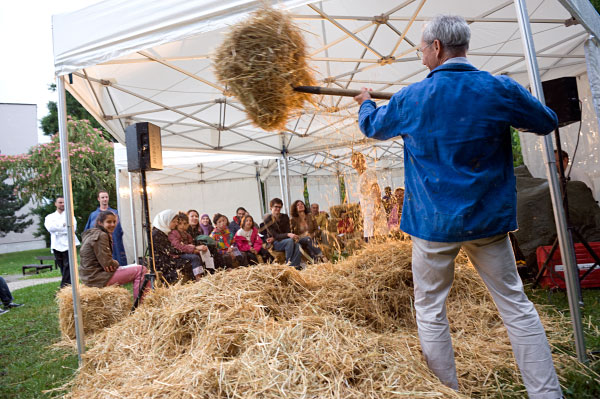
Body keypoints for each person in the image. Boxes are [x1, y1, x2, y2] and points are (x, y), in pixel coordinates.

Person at [353, 14, 562, 397]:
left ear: (436, 47)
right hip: (487, 222)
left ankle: (446, 392)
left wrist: (366, 103)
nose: (420, 57)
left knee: (431, 310)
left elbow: (372, 128)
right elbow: (546, 121)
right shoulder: (499, 89)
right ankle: (547, 394)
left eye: (420, 49)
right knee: (515, 306)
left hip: (434, 225)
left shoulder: (411, 97)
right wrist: (513, 102)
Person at [79, 211, 149, 301]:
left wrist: (111, 265)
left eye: (114, 222)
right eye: (108, 222)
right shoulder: (101, 235)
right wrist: (116, 263)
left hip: (89, 277)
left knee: (136, 267)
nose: (112, 224)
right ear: (100, 223)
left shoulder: (92, 233)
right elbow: (108, 264)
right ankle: (142, 305)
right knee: (141, 270)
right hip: (96, 278)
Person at [351, 152, 388, 241]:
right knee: (369, 238)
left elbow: (376, 191)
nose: (356, 163)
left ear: (363, 161)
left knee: (376, 238)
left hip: (373, 211)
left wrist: (377, 210)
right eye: (353, 161)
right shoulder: (361, 176)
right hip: (367, 213)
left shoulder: (368, 173)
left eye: (358, 160)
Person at [151, 209, 195, 284]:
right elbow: (169, 250)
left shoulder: (163, 231)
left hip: (168, 259)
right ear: (166, 220)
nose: (175, 224)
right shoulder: (156, 234)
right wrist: (189, 249)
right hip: (162, 263)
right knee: (189, 261)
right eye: (173, 222)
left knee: (190, 258)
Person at [44, 196, 80, 288]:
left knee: (69, 266)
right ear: (55, 204)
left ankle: (63, 287)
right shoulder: (50, 217)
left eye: (64, 202)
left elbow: (72, 229)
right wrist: (63, 225)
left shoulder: (70, 216)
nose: (62, 204)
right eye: (60, 202)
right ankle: (70, 287)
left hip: (69, 244)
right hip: (56, 245)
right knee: (63, 268)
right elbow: (50, 228)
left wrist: (58, 228)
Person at [84, 190, 127, 265]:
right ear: (98, 199)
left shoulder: (115, 213)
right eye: (102, 197)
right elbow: (88, 232)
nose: (105, 199)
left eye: (106, 197)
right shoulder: (93, 215)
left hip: (114, 245)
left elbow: (119, 231)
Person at [169, 212, 215, 280]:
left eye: (185, 224)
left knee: (202, 254)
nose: (182, 226)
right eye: (180, 224)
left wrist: (195, 249)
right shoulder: (173, 233)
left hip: (186, 252)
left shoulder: (186, 234)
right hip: (177, 254)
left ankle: (209, 272)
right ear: (176, 224)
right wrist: (193, 248)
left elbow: (191, 243)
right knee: (194, 257)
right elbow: (178, 246)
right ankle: (198, 277)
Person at [263, 198, 302, 270]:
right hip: (275, 243)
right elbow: (276, 235)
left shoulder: (284, 217)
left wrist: (286, 235)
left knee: (298, 245)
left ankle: (294, 267)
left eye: (279, 207)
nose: (278, 209)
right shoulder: (267, 219)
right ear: (271, 207)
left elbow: (287, 230)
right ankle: (288, 264)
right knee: (290, 241)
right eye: (276, 207)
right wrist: (287, 235)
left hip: (283, 240)